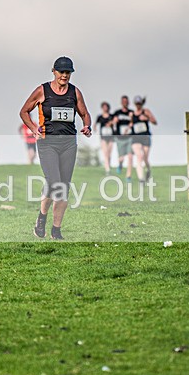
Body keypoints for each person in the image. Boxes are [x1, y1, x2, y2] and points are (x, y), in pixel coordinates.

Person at [19, 56, 92, 240]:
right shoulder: (42, 90)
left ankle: (56, 231)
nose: (65, 76)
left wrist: (87, 126)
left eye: (68, 73)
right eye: (61, 72)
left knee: (63, 188)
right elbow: (24, 111)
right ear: (54, 71)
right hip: (48, 142)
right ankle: (41, 218)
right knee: (54, 182)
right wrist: (34, 129)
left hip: (68, 143)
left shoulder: (74, 92)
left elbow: (84, 113)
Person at [129, 96, 157, 183]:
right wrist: (128, 128)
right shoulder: (132, 114)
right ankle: (141, 179)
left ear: (141, 103)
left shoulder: (146, 111)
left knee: (145, 158)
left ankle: (148, 169)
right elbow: (131, 123)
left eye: (139, 103)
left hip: (145, 137)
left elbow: (155, 122)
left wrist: (147, 118)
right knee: (139, 156)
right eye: (137, 104)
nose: (138, 105)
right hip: (135, 137)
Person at [113, 95, 134, 181]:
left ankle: (128, 176)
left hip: (130, 138)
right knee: (121, 158)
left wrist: (132, 119)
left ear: (128, 102)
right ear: (121, 103)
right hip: (120, 138)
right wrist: (115, 121)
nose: (125, 103)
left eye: (126, 101)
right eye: (123, 101)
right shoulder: (117, 112)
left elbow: (133, 124)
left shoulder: (131, 112)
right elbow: (113, 123)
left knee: (130, 156)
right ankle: (120, 164)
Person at [96, 101, 117, 175]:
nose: (105, 108)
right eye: (104, 107)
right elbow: (95, 124)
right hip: (103, 137)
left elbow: (116, 120)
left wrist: (111, 123)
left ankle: (109, 165)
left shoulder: (112, 116)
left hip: (111, 137)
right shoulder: (100, 117)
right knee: (105, 153)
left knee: (109, 153)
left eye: (106, 107)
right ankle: (107, 169)